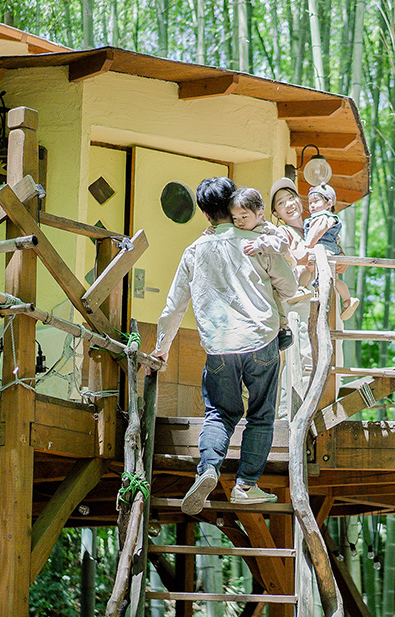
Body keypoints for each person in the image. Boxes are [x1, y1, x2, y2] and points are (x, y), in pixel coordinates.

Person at [152, 177, 297, 513]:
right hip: (261, 341)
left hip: (219, 348)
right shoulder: (258, 242)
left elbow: (174, 307)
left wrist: (162, 347)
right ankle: (245, 486)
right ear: (233, 206)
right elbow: (289, 288)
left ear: (205, 214)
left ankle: (208, 469)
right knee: (261, 416)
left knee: (219, 414)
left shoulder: (194, 251)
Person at [228, 186, 309, 351]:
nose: (239, 222)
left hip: (285, 279)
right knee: (269, 293)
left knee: (271, 292)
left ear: (260, 214)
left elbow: (282, 244)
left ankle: (282, 325)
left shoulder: (268, 229)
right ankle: (282, 328)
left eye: (244, 217)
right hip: (270, 284)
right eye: (235, 218)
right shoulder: (239, 231)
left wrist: (260, 244)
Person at [305, 183, 359, 321]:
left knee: (314, 271)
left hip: (324, 250)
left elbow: (316, 233)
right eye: (310, 202)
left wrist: (308, 245)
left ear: (329, 204)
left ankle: (303, 288)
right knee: (334, 279)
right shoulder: (323, 217)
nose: (312, 205)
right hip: (329, 250)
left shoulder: (324, 217)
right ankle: (347, 300)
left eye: (316, 201)